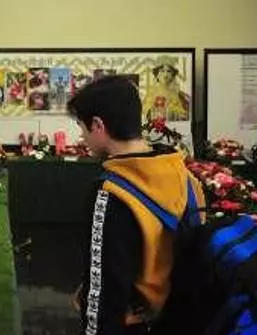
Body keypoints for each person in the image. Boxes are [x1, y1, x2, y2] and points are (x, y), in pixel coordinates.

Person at [68, 76, 205, 335]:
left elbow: (105, 292)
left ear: (98, 125)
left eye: (82, 126)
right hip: (180, 319)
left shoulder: (110, 193)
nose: (82, 136)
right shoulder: (186, 178)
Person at [142, 58, 190, 122]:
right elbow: (145, 111)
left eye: (169, 71)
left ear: (172, 76)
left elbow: (182, 114)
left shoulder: (176, 94)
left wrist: (174, 113)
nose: (165, 74)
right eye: (162, 71)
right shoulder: (151, 93)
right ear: (157, 75)